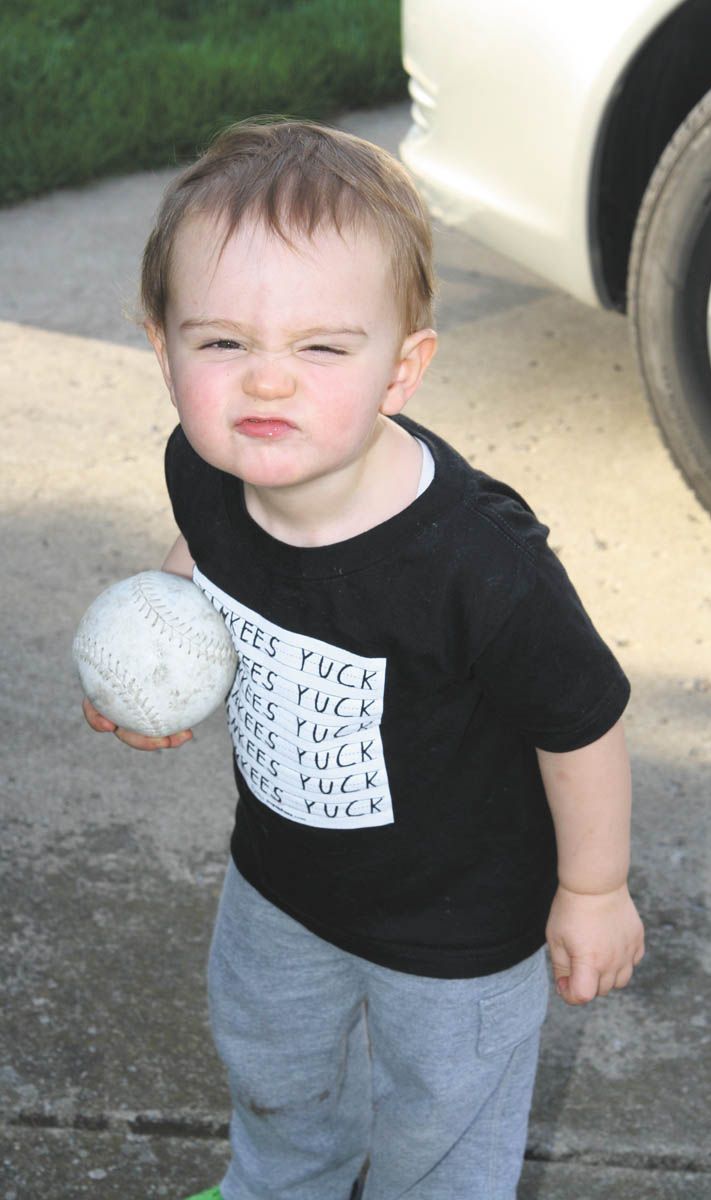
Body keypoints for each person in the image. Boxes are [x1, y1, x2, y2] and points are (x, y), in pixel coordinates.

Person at [83, 118, 645, 1200]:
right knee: (272, 1065)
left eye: (322, 348)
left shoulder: (477, 564)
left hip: (459, 925)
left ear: (402, 369)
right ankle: (280, 1185)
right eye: (222, 343)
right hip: (280, 878)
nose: (266, 383)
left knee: (442, 1122)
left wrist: (594, 887)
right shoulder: (203, 470)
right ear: (163, 352)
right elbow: (202, 554)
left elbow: (580, 721)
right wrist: (159, 653)